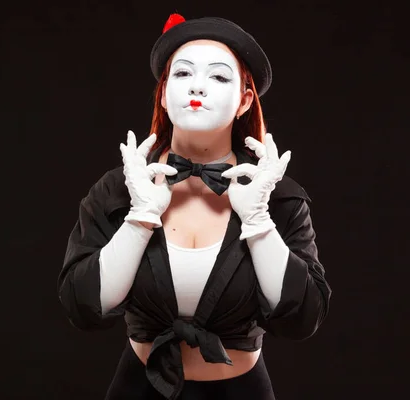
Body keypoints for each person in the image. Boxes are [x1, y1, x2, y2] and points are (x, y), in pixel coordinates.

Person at [57, 13, 332, 400]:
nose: (197, 86)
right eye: (183, 74)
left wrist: (258, 221)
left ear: (244, 100)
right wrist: (139, 219)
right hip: (139, 390)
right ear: (164, 91)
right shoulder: (121, 188)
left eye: (219, 77)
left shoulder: (277, 196)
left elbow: (303, 319)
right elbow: (81, 307)